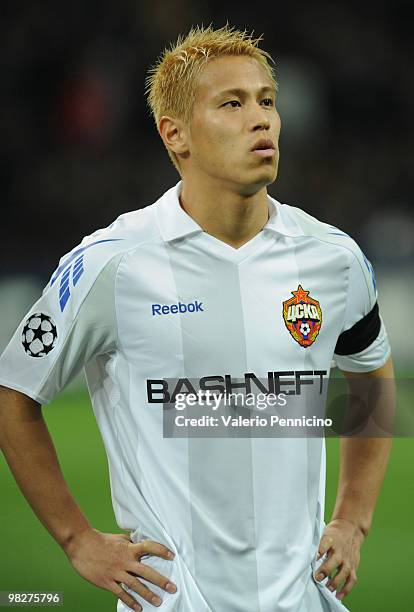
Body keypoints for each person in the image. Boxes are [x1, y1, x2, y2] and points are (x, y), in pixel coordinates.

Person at [0, 24, 394, 612]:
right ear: (175, 134)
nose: (260, 119)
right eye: (231, 104)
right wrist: (78, 540)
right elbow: (14, 393)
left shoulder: (333, 258)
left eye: (267, 101)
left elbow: (373, 380)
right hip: (175, 601)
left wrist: (353, 521)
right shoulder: (113, 263)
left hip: (304, 600)